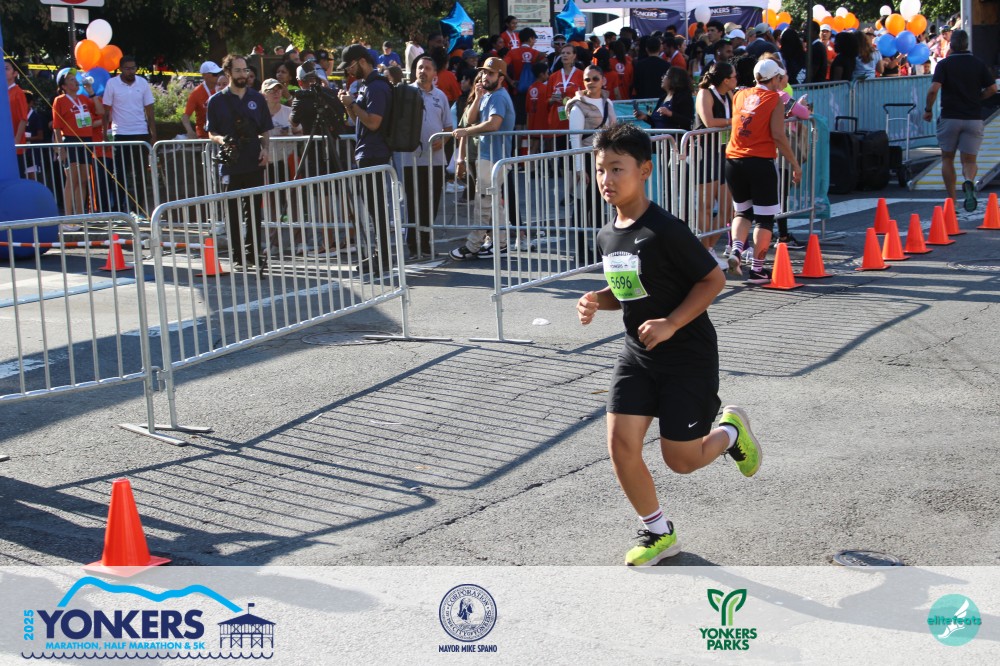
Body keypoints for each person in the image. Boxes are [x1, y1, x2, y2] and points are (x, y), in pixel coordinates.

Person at [575, 122, 761, 567]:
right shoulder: (607, 235)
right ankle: (659, 532)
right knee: (621, 444)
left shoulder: (666, 230)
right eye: (600, 169)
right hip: (638, 356)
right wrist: (596, 299)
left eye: (617, 168)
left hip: (686, 357)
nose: (606, 179)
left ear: (645, 171)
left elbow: (712, 279)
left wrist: (672, 323)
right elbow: (630, 292)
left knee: (681, 460)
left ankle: (732, 431)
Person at [725, 59, 802, 283]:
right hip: (759, 161)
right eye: (779, 77)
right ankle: (757, 269)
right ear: (775, 78)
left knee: (742, 212)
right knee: (764, 219)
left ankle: (737, 250)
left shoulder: (740, 95)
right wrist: (795, 164)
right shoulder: (774, 99)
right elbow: (778, 134)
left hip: (733, 160)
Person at [206, 55, 273, 271]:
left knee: (253, 210)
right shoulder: (216, 101)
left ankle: (253, 254)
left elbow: (265, 129)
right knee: (233, 211)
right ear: (228, 73)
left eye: (245, 70)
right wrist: (221, 140)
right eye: (238, 71)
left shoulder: (257, 98)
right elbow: (211, 131)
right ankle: (237, 256)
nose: (243, 75)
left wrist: (265, 149)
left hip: (253, 160)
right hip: (231, 162)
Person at [337, 44, 395, 278]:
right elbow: (357, 120)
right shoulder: (366, 85)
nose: (349, 71)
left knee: (376, 208)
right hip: (367, 152)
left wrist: (352, 104)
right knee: (372, 208)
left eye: (350, 66)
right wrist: (349, 105)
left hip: (374, 153)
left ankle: (383, 256)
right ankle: (379, 254)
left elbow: (373, 122)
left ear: (362, 61)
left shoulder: (377, 87)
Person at [923, 29, 997, 212]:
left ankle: (952, 202)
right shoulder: (978, 64)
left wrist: (928, 110)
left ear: (951, 45)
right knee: (969, 161)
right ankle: (969, 180)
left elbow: (933, 90)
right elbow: (993, 89)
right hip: (973, 118)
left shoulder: (944, 64)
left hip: (950, 117)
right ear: (967, 44)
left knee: (947, 158)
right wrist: (978, 98)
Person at [449, 57, 515, 260]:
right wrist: (477, 97)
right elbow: (471, 119)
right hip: (490, 157)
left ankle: (473, 245)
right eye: (484, 72)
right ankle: (501, 244)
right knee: (493, 203)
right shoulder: (489, 95)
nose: (485, 76)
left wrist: (466, 132)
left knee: (483, 203)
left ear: (501, 78)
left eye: (490, 73)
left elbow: (493, 124)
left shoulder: (498, 97)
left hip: (493, 158)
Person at [398, 56, 453, 258]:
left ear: (435, 74)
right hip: (410, 159)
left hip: (435, 160)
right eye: (420, 67)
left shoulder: (441, 96)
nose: (423, 71)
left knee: (431, 203)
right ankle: (413, 246)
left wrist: (443, 140)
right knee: (412, 203)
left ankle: (427, 244)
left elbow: (449, 127)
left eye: (428, 68)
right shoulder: (405, 93)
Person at [567, 65, 617, 264]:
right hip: (586, 160)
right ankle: (580, 249)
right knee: (582, 206)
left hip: (602, 160)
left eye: (595, 78)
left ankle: (598, 248)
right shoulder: (577, 105)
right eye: (587, 79)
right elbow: (575, 139)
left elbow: (613, 129)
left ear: (603, 80)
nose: (591, 83)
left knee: (597, 206)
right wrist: (580, 169)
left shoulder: (607, 102)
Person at [100, 55, 157, 214]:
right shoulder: (112, 83)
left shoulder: (142, 82)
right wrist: (105, 135)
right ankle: (119, 210)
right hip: (121, 134)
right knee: (120, 174)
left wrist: (153, 135)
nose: (131, 71)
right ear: (120, 69)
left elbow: (150, 111)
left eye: (133, 68)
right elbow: (106, 112)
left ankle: (139, 209)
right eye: (127, 68)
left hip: (141, 133)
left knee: (141, 174)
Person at [694, 61, 736, 265]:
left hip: (723, 152)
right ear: (725, 80)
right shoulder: (705, 93)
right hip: (705, 153)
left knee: (728, 208)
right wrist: (732, 122)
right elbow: (709, 121)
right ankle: (706, 251)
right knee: (707, 205)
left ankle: (707, 248)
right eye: (734, 77)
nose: (736, 80)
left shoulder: (729, 95)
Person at [52, 68, 104, 218]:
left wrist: (91, 92)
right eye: (71, 79)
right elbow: (56, 127)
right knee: (72, 179)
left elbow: (100, 111)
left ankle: (81, 215)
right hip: (70, 141)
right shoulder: (60, 100)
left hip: (86, 140)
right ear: (64, 86)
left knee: (83, 180)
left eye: (75, 79)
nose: (75, 81)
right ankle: (69, 216)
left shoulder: (83, 98)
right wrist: (60, 149)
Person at [546, 44, 585, 146]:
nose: (565, 55)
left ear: (574, 56)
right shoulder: (553, 76)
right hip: (558, 119)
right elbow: (547, 100)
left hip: (575, 118)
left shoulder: (581, 75)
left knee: (575, 151)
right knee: (560, 151)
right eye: (563, 53)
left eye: (568, 53)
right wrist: (553, 99)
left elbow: (585, 97)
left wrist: (572, 100)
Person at [633, 66, 693, 131]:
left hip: (673, 137)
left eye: (665, 75)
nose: (662, 77)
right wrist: (645, 117)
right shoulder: (662, 98)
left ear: (674, 79)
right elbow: (656, 121)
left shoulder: (684, 98)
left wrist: (670, 114)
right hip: (658, 136)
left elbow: (688, 121)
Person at [182, 61, 222, 139]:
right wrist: (190, 131)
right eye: (215, 74)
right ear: (205, 75)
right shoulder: (196, 93)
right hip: (204, 138)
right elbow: (185, 116)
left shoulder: (222, 89)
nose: (218, 76)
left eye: (218, 73)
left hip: (221, 136)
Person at [6, 59, 29, 178]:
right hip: (4, 142)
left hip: (14, 145)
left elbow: (23, 119)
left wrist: (16, 140)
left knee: (16, 177)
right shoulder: (3, 92)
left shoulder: (18, 92)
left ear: (15, 73)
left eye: (6, 68)